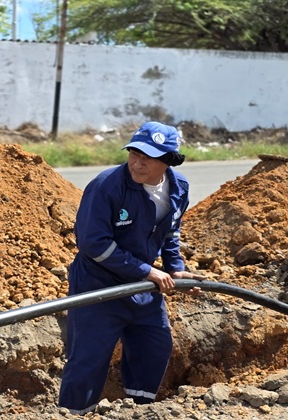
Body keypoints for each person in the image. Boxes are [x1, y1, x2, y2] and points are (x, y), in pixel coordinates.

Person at [58, 121, 207, 415]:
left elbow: (170, 231)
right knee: (88, 359)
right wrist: (147, 271)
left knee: (154, 347)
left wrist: (175, 267)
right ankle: (73, 414)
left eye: (147, 157)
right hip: (98, 286)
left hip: (142, 288)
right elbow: (93, 243)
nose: (137, 163)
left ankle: (139, 411)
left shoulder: (179, 188)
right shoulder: (107, 187)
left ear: (169, 161)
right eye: (134, 154)